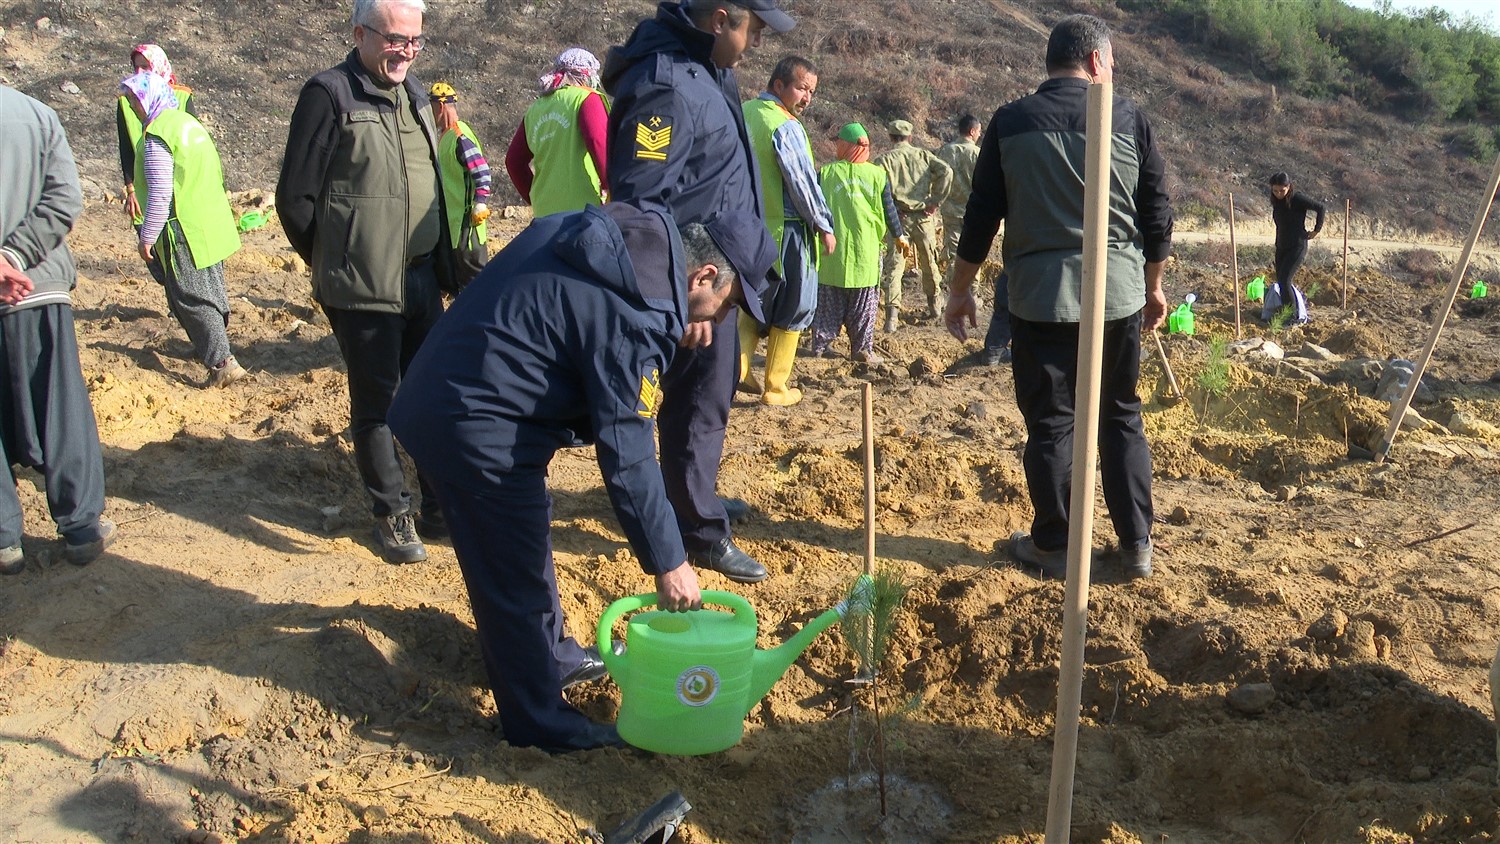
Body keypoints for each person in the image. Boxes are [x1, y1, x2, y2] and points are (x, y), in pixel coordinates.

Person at [388, 203, 777, 753]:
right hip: (469, 421)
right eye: (725, 306)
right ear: (703, 276)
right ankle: (540, 723)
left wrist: (677, 319)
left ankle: (556, 658)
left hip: (463, 389)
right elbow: (628, 450)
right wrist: (670, 561)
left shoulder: (631, 239)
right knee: (511, 575)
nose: (716, 322)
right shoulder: (635, 314)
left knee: (526, 529)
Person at [944, 14, 1173, 580]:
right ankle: (1137, 544)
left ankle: (1055, 545)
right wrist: (1154, 286)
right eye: (1112, 63)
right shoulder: (1126, 116)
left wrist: (960, 290)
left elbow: (981, 216)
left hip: (1039, 298)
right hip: (1117, 294)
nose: (1112, 72)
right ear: (1096, 62)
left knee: (1052, 422)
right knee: (1120, 414)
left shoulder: (1011, 120)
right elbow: (1157, 210)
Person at [602, 0, 794, 584]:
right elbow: (641, 202)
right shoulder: (665, 87)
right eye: (752, 29)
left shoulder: (709, 70)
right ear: (719, 18)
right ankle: (698, 532)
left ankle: (692, 500)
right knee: (696, 407)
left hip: (710, 279)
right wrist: (679, 297)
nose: (757, 43)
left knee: (707, 402)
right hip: (690, 290)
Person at [276, 0, 454, 565]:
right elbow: (294, 198)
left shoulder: (417, 97)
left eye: (415, 41)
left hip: (421, 278)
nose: (405, 50)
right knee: (378, 404)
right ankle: (392, 513)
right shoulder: (329, 94)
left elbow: (435, 187)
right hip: (361, 286)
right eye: (394, 38)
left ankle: (438, 504)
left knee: (431, 395)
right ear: (360, 34)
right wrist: (337, 260)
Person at [1, 84, 117, 574]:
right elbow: (66, 197)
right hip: (37, 282)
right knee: (61, 407)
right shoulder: (36, 114)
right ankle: (81, 527)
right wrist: (14, 255)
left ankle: (5, 542)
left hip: (27, 280)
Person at [120, 71, 246, 388]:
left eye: (135, 99)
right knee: (209, 290)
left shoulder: (158, 135)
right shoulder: (188, 124)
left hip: (183, 228)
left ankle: (223, 363)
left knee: (189, 297)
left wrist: (147, 236)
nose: (132, 106)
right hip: (209, 222)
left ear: (147, 99)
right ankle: (212, 347)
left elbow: (161, 192)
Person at [737, 55, 835, 406]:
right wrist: (823, 224)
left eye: (811, 91)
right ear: (778, 85)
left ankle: (739, 370)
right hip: (787, 229)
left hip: (745, 228)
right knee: (795, 303)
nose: (807, 97)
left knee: (750, 301)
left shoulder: (743, 112)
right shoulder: (785, 126)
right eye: (801, 88)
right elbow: (802, 183)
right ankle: (776, 387)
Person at [811, 122, 903, 362]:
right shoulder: (877, 175)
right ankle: (861, 349)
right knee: (863, 306)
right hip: (866, 253)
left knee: (828, 302)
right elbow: (889, 209)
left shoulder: (826, 173)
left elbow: (812, 208)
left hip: (832, 254)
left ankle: (821, 346)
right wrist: (899, 235)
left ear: (843, 145)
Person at [116, 44, 197, 287]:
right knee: (154, 251)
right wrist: (130, 189)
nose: (140, 74)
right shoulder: (127, 99)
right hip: (144, 185)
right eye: (136, 68)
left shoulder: (181, 96)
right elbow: (125, 147)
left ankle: (179, 294)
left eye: (146, 67)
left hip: (178, 188)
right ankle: (172, 290)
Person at [504, 48, 610, 217]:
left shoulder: (536, 108)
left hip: (544, 213)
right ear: (587, 75)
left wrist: (534, 196)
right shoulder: (587, 99)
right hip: (582, 210)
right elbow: (599, 144)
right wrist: (612, 189)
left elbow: (514, 161)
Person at [876, 119, 952, 330]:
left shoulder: (883, 160)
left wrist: (890, 210)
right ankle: (935, 307)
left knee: (895, 266)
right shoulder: (924, 156)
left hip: (899, 219)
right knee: (930, 262)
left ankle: (892, 317)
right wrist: (935, 200)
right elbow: (947, 172)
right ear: (910, 137)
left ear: (891, 137)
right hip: (924, 218)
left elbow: (876, 188)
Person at [429, 81, 492, 277]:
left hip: (467, 226)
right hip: (453, 225)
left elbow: (481, 171)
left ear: (440, 106)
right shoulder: (445, 137)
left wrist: (480, 202)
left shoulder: (459, 137)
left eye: (431, 108)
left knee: (476, 280)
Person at [1265, 171, 1323, 325]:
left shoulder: (1297, 199)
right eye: (1275, 190)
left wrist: (1316, 230)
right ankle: (1286, 313)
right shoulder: (1276, 202)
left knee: (1285, 280)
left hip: (1297, 246)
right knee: (1281, 281)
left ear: (1288, 187)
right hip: (1281, 246)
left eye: (1282, 191)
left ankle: (1294, 316)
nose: (1278, 194)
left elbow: (1320, 207)